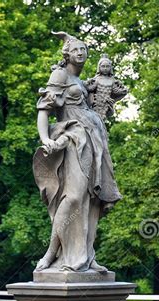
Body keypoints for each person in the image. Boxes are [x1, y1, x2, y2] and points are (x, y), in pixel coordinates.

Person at [33, 32, 123, 273]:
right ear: (67, 54)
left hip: (94, 141)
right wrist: (44, 139)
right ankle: (52, 253)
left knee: (93, 200)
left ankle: (86, 256)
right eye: (76, 49)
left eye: (84, 49)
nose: (81, 53)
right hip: (71, 140)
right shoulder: (60, 74)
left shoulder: (83, 81)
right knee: (72, 197)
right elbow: (44, 109)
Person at [85, 53, 128, 120]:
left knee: (101, 121)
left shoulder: (112, 80)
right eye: (103, 66)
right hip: (96, 104)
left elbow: (117, 91)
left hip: (106, 105)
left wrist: (123, 89)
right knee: (95, 119)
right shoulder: (96, 79)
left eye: (107, 66)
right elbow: (90, 88)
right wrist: (87, 83)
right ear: (99, 67)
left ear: (110, 68)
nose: (105, 68)